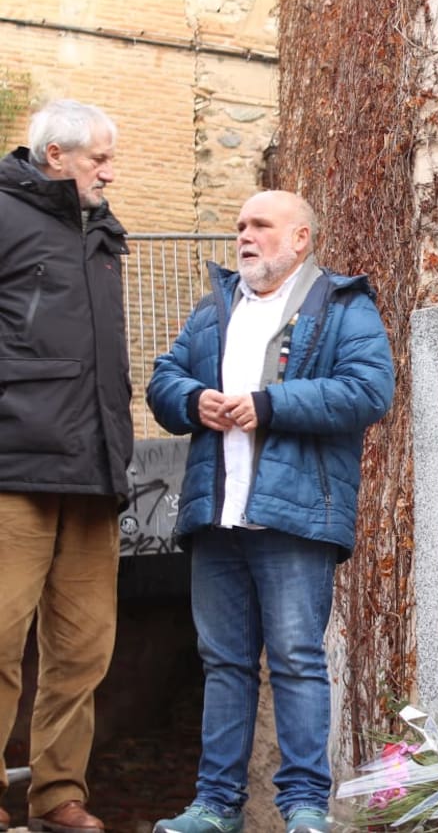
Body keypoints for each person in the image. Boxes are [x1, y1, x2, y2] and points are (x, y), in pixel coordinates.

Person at [146, 191, 394, 833]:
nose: (245, 237)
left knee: (297, 659)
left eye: (260, 226)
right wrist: (194, 398)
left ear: (301, 238)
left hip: (296, 515)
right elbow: (162, 379)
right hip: (215, 513)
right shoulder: (214, 309)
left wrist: (269, 404)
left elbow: (369, 390)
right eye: (239, 227)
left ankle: (306, 807)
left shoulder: (343, 304)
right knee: (223, 664)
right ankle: (216, 805)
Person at [0, 100, 132, 833]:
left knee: (83, 649)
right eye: (99, 159)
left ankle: (57, 796)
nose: (109, 173)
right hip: (13, 464)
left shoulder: (104, 233)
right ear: (57, 155)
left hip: (94, 469)